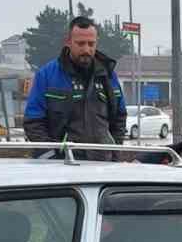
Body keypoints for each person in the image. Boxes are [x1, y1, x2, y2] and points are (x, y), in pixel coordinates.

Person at [23, 17, 127, 147]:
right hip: (62, 163)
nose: (86, 49)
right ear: (68, 42)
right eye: (80, 43)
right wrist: (49, 157)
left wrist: (115, 153)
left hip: (102, 163)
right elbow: (33, 122)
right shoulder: (47, 76)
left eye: (91, 44)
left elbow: (120, 117)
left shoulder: (108, 75)